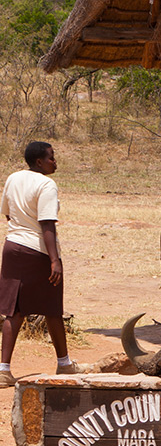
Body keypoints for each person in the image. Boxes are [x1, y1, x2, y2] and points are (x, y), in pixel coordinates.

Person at [0, 142, 79, 387]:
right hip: (38, 252)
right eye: (51, 158)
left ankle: (3, 370)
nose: (55, 162)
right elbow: (47, 224)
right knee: (52, 308)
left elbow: (8, 213)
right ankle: (64, 364)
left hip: (12, 247)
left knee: (14, 309)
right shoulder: (47, 185)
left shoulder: (13, 178)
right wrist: (54, 260)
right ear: (39, 162)